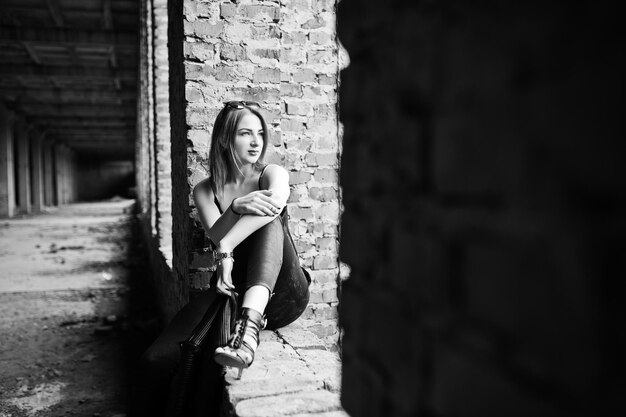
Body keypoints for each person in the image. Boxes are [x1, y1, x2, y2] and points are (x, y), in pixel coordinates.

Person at [131, 100, 310, 417]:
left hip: (283, 292)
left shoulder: (272, 173)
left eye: (259, 133)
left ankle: (249, 331)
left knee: (269, 214)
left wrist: (225, 250)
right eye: (245, 133)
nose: (256, 142)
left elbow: (275, 204)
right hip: (232, 288)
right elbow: (214, 235)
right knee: (154, 360)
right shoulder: (205, 189)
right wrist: (237, 207)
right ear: (226, 139)